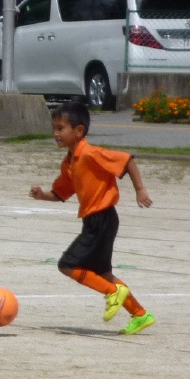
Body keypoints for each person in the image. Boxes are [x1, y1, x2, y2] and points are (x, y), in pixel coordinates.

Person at [29, 99, 155, 335]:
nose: (55, 134)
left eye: (60, 128)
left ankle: (112, 292)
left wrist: (140, 189)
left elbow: (127, 160)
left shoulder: (90, 153)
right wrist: (42, 195)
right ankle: (140, 314)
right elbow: (61, 193)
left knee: (67, 265)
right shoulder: (69, 162)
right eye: (54, 128)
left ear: (79, 131)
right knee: (102, 273)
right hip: (96, 221)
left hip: (102, 219)